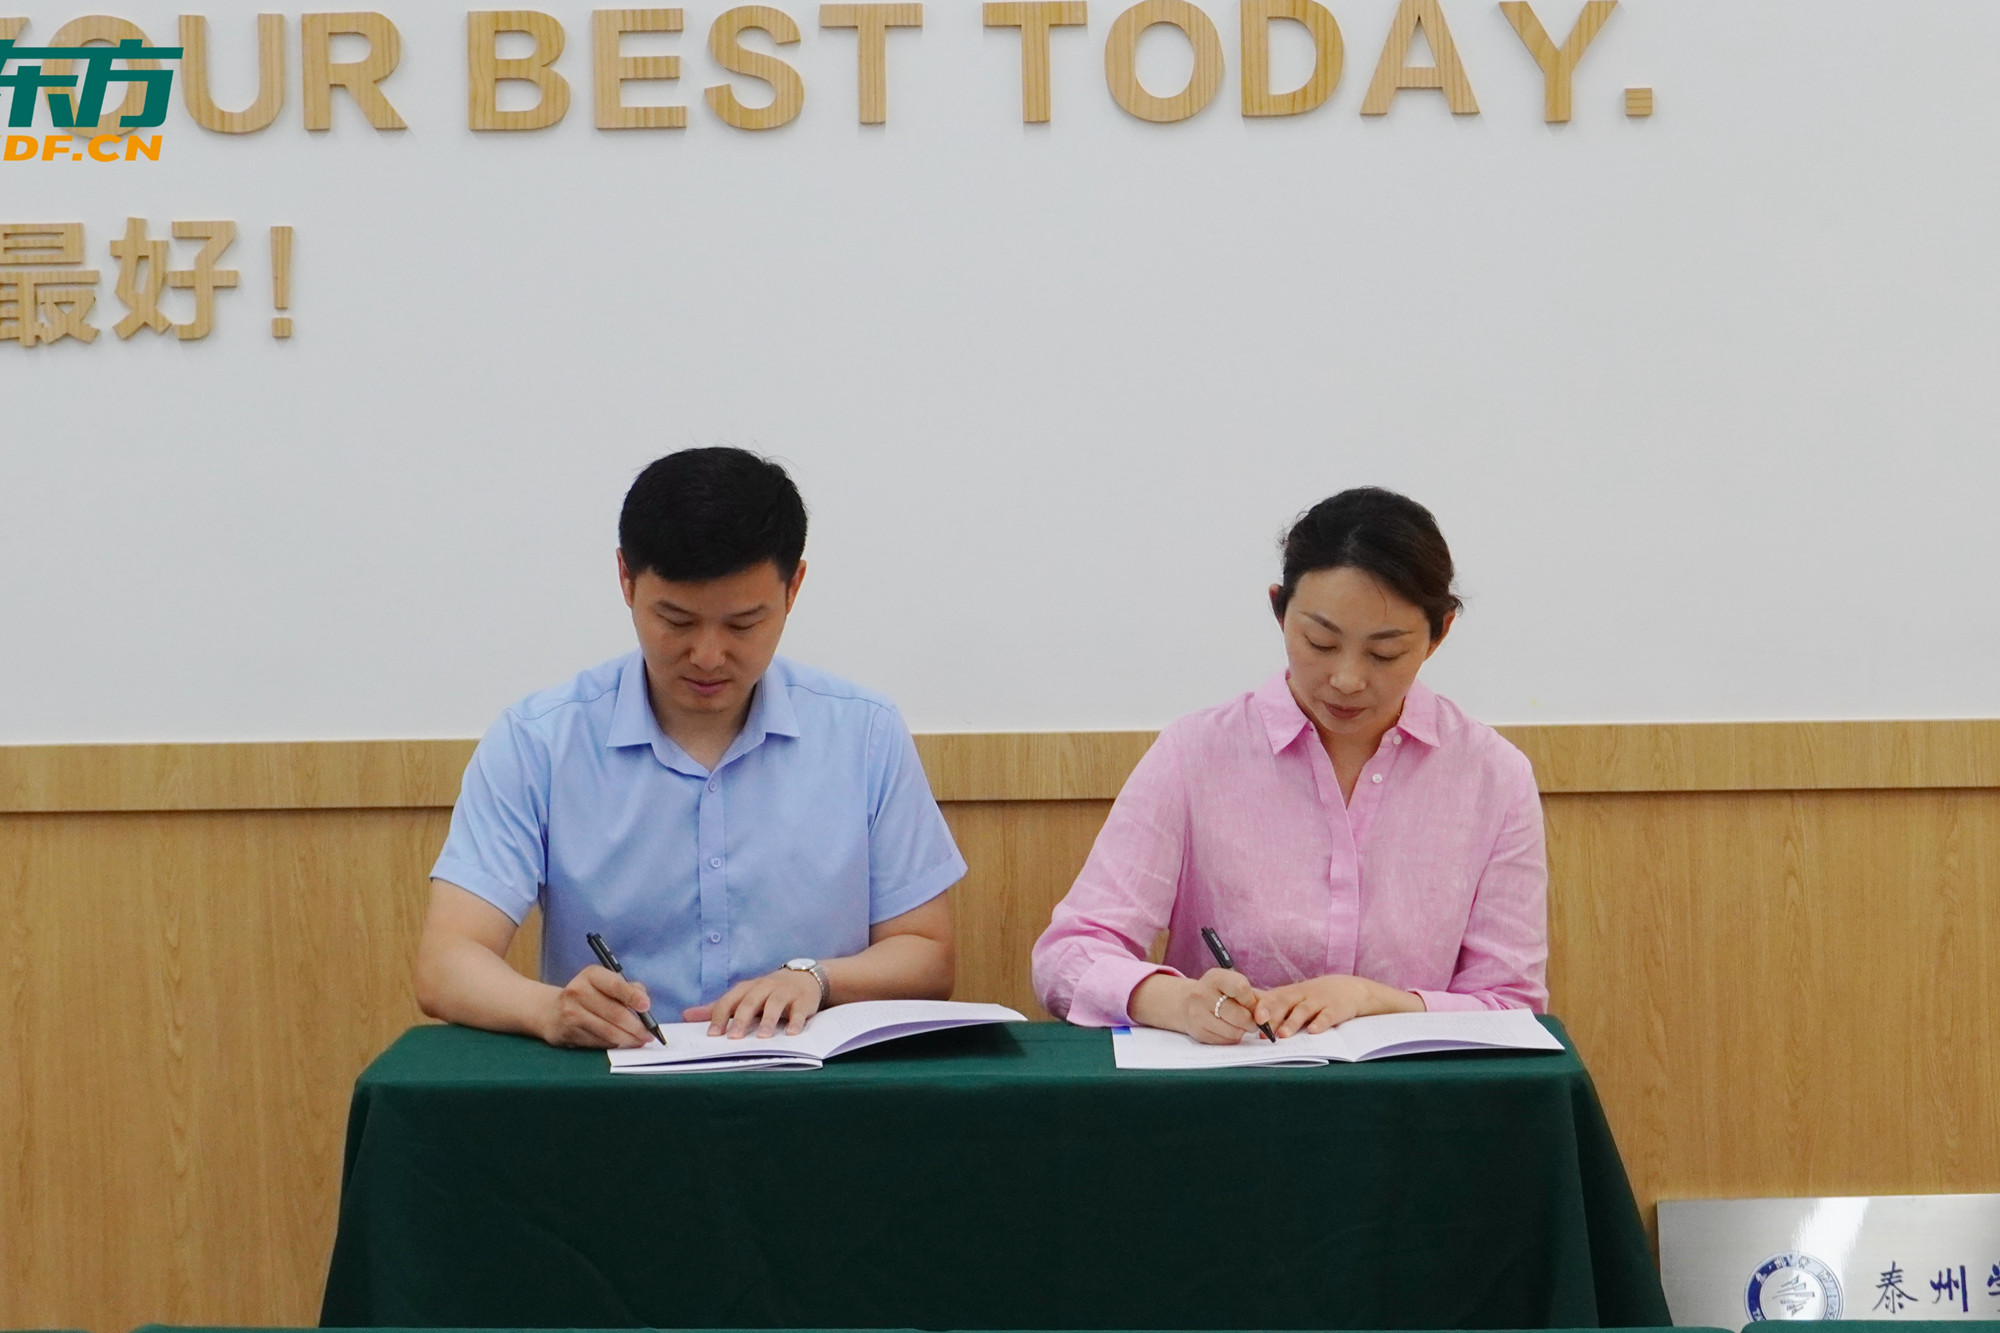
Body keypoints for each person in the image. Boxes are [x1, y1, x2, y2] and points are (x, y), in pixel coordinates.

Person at [416, 447, 965, 1048]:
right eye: (676, 621)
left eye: (742, 624)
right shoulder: (539, 741)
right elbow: (447, 961)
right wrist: (551, 1010)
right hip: (611, 1086)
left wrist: (816, 977)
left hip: (810, 1086)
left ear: (793, 588)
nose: (707, 656)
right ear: (625, 579)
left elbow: (926, 953)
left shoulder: (865, 733)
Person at [1031, 487, 1546, 1043]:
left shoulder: (1493, 777)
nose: (1347, 679)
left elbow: (1512, 1005)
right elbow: (1068, 957)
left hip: (1413, 1092)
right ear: (1279, 610)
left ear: (1439, 633)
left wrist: (1376, 1001)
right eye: (1320, 642)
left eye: (1385, 653)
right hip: (1232, 1085)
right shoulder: (1195, 754)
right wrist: (1180, 1003)